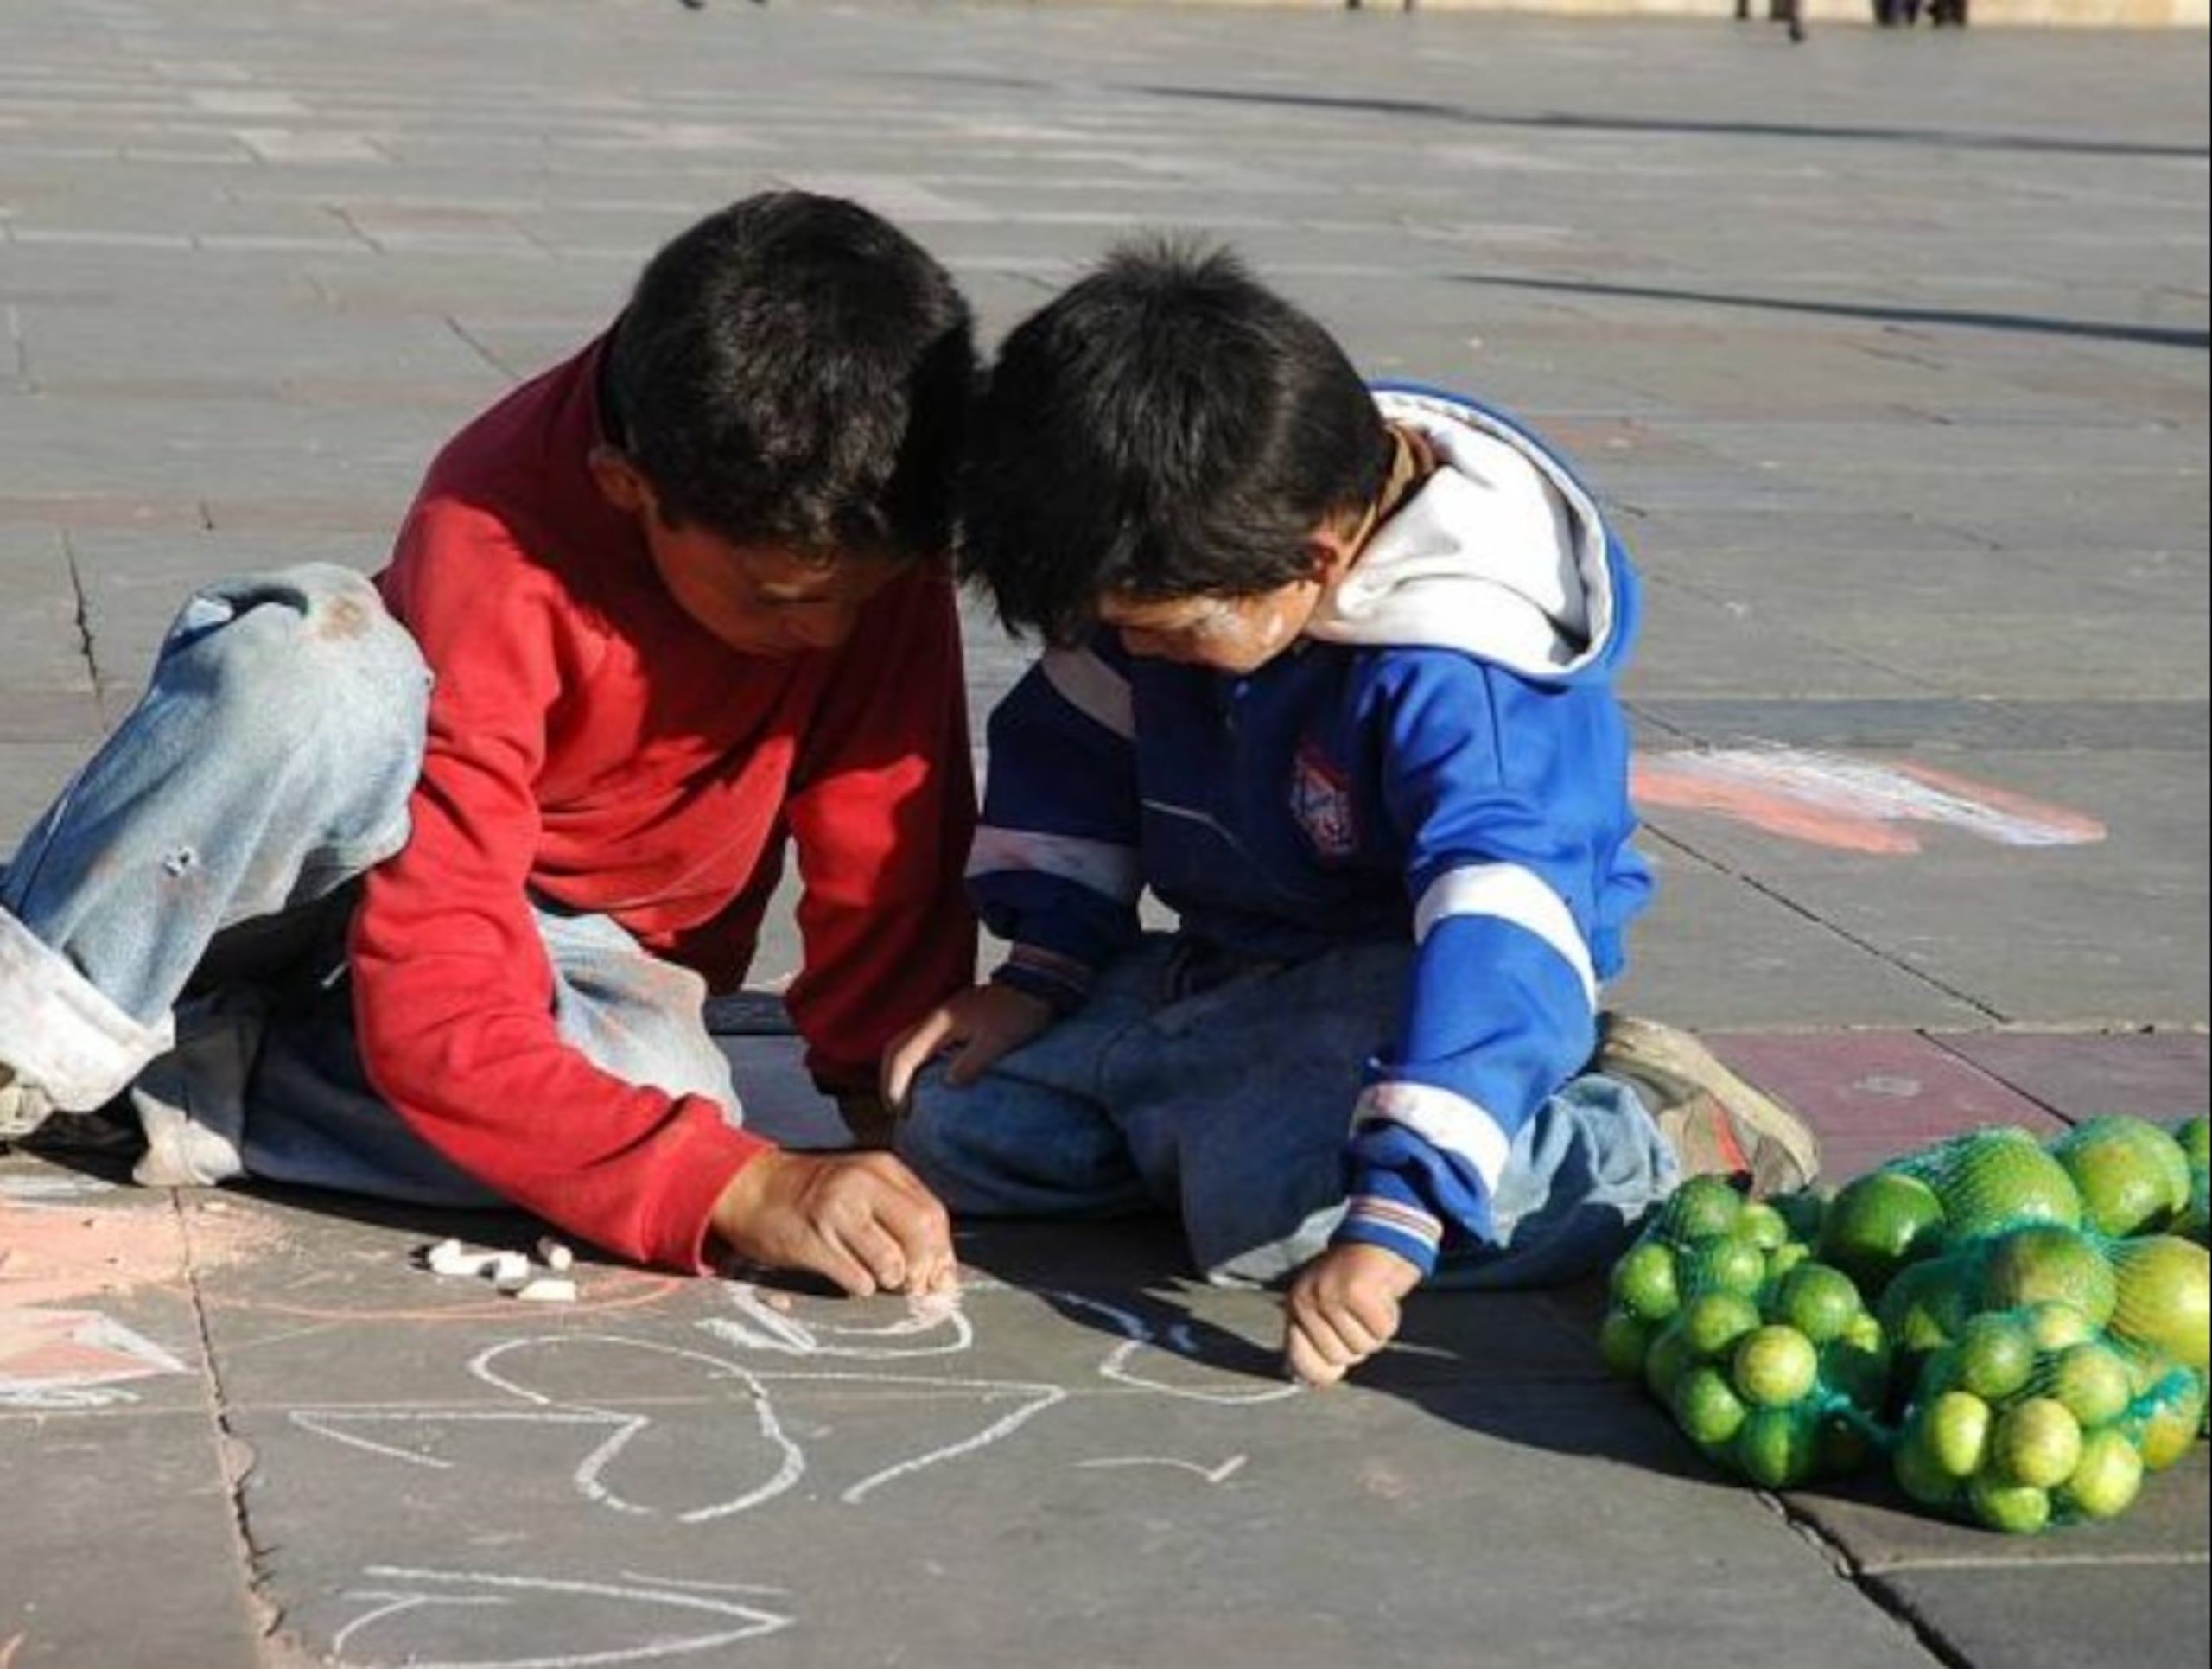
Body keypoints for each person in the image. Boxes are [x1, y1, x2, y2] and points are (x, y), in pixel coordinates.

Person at [1, 191, 977, 1299]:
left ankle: (191, 1073)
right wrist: (739, 1190)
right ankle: (31, 1040)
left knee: (659, 1091)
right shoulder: (496, 521)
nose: (830, 635)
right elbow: (443, 954)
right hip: (351, 857)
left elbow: (888, 827)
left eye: (867, 594)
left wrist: (887, 1094)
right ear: (630, 487)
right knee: (305, 664)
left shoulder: (871, 504)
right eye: (778, 600)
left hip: (580, 947)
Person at [881, 241, 1820, 1386]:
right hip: (1229, 966)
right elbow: (1072, 751)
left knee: (1283, 1222)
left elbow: (1498, 930)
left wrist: (1396, 1217)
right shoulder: (1176, 549)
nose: (1139, 651)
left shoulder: (1464, 673)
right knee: (955, 1122)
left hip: (1416, 979)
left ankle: (1643, 1131)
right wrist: (1040, 972)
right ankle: (1243, 1137)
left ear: (1313, 560)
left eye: (1170, 632)